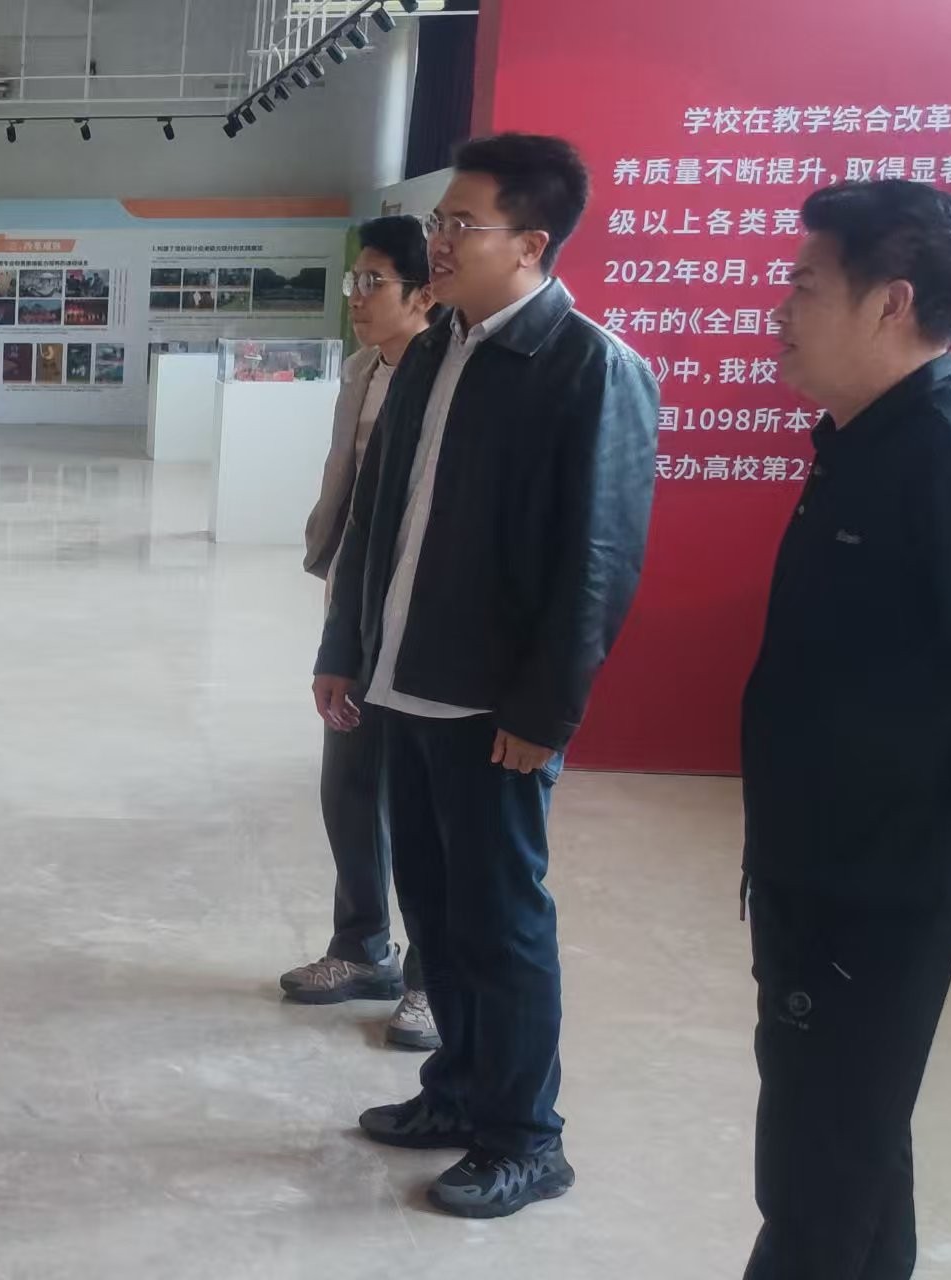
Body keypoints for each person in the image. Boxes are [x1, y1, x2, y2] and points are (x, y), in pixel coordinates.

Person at [741, 180, 951, 1279]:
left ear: (889, 302)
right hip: (825, 851)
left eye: (805, 285)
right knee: (850, 1141)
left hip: (876, 874)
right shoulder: (865, 439)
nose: (781, 308)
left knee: (817, 1172)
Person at [312, 133, 658, 1218]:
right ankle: (456, 1090)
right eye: (439, 221)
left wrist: (544, 710)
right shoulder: (431, 353)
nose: (440, 241)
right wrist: (343, 649)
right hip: (403, 682)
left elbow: (597, 561)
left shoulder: (589, 368)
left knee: (502, 922)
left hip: (492, 708)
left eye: (463, 223)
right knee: (437, 908)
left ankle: (524, 1135)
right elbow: (377, 521)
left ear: (532, 243)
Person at [285, 214, 442, 1054]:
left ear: (424, 294)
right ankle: (361, 947)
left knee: (419, 807)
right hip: (355, 604)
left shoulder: (445, 380)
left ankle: (429, 980)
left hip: (418, 618)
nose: (357, 296)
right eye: (356, 279)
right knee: (347, 783)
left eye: (373, 281)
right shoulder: (362, 369)